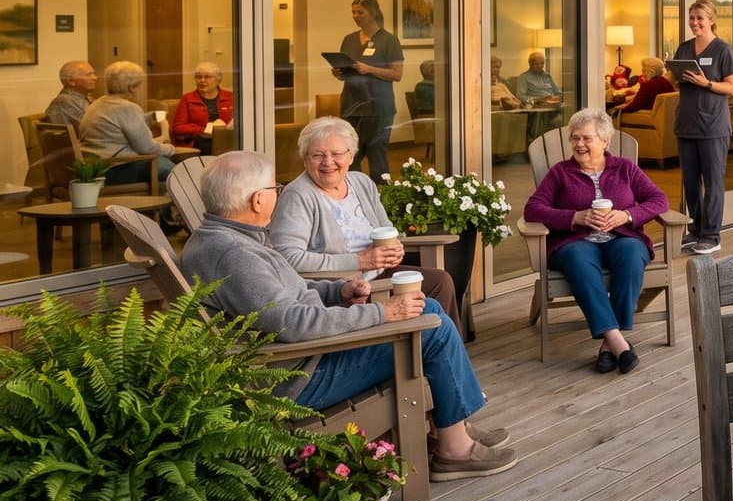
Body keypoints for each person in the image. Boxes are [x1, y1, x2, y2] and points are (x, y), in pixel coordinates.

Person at [183, 151, 515, 481]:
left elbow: (289, 293)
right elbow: (294, 324)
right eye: (274, 189)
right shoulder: (236, 255)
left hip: (302, 359)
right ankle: (454, 449)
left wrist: (338, 291)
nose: (277, 194)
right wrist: (380, 313)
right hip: (298, 376)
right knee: (430, 322)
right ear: (257, 200)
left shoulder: (225, 239)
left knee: (425, 308)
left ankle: (451, 429)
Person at [268, 117, 464, 329]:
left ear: (351, 156)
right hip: (346, 290)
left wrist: (394, 248)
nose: (328, 162)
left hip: (380, 275)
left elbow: (386, 229)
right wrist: (359, 261)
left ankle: (440, 347)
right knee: (429, 296)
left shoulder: (360, 182)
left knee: (440, 282)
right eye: (317, 155)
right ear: (305, 159)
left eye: (336, 154)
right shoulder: (297, 196)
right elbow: (287, 258)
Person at [523, 109, 669, 374]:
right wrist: (574, 217)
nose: (579, 144)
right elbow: (533, 209)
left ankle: (607, 345)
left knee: (632, 255)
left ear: (605, 141)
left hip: (622, 236)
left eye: (586, 138)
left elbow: (659, 200)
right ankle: (618, 343)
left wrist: (626, 216)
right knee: (579, 261)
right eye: (574, 138)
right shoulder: (560, 173)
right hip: (575, 240)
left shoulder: (625, 168)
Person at [671, 0, 733, 256]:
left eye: (700, 18)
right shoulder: (684, 48)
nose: (695, 23)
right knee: (690, 182)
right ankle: (696, 229)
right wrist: (671, 71)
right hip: (686, 124)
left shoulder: (723, 50)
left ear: (712, 20)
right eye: (692, 18)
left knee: (712, 182)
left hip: (712, 126)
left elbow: (731, 87)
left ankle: (711, 235)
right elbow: (677, 81)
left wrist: (706, 83)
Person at [79, 61, 194, 186]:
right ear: (132, 88)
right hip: (117, 169)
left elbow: (122, 123)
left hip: (95, 168)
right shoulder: (128, 108)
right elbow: (147, 148)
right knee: (179, 172)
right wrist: (171, 149)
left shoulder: (98, 103)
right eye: (139, 84)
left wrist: (151, 117)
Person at [333, 0, 403, 180]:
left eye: (360, 12)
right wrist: (339, 73)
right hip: (351, 104)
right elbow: (345, 72)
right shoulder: (349, 39)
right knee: (350, 153)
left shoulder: (389, 40)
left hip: (378, 106)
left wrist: (369, 69)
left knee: (376, 151)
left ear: (373, 13)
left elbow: (397, 74)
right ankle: (355, 190)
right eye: (353, 12)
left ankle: (381, 192)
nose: (355, 16)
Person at [169, 61, 236, 154]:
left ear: (218, 79)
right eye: (198, 77)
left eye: (207, 77)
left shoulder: (230, 97)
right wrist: (205, 129)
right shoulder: (187, 98)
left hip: (227, 139)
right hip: (199, 140)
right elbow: (178, 128)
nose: (202, 80)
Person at [43, 60, 96, 127]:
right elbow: (91, 128)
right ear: (71, 81)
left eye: (94, 74)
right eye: (88, 75)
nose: (95, 78)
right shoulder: (64, 102)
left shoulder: (84, 98)